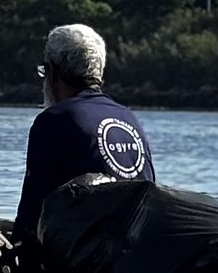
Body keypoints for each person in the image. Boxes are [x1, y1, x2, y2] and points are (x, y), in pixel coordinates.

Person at [12, 23, 155, 244]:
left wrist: (17, 245)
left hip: (84, 264)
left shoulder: (55, 120)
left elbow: (31, 213)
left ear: (52, 72)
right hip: (132, 254)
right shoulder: (129, 119)